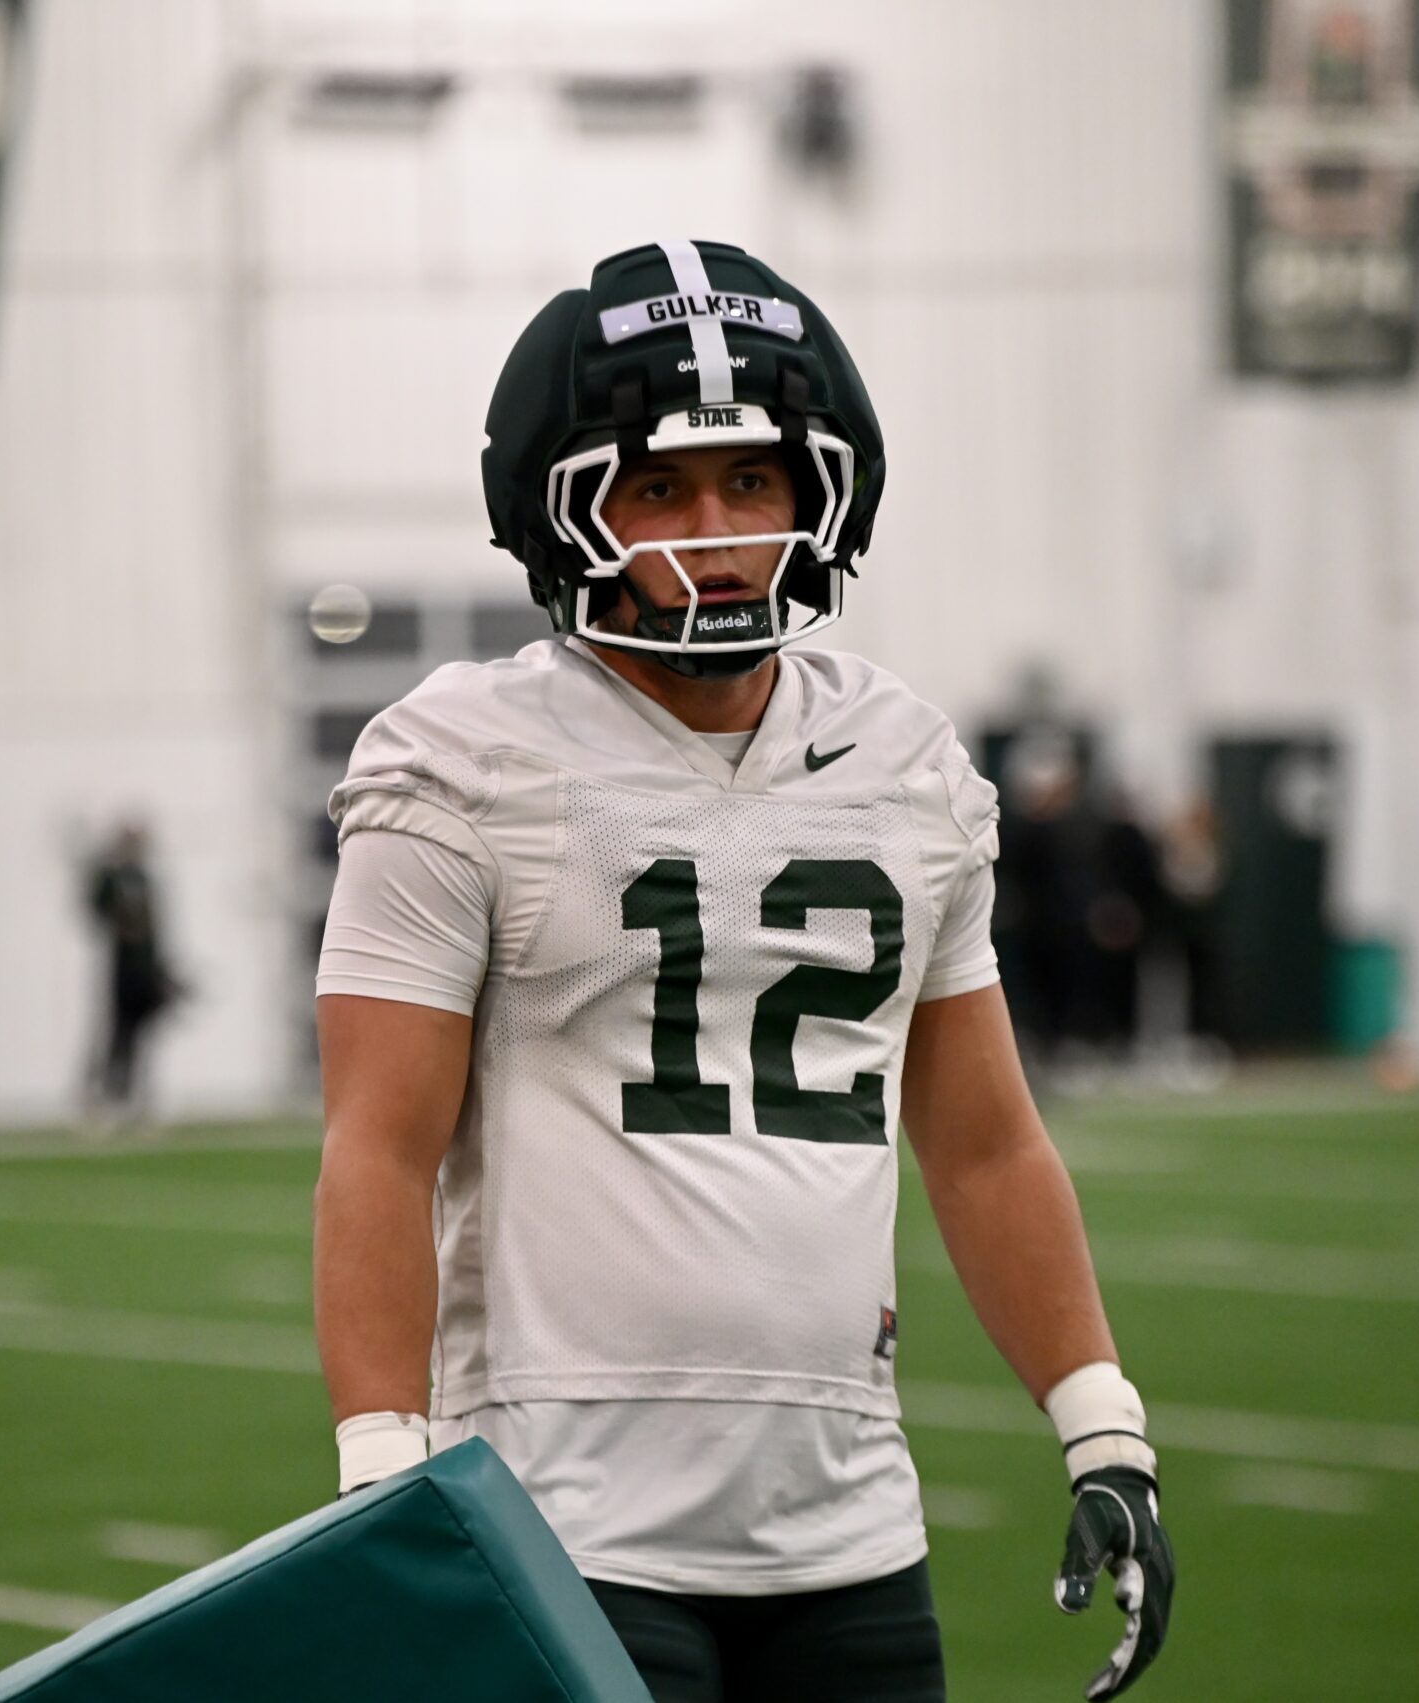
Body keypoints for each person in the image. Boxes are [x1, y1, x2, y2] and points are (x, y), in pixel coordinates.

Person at [312, 241, 1174, 1703]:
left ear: (821, 494)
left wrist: (1103, 1424)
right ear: (562, 511)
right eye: (656, 489)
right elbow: (378, 1147)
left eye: (753, 481)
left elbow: (983, 1142)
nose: (714, 534)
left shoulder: (906, 764)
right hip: (561, 1516)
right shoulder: (463, 760)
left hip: (847, 1524)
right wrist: (382, 1468)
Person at [87, 820, 177, 1121]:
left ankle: (138, 1098)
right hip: (121, 971)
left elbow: (155, 928)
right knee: (118, 1035)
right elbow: (96, 910)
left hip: (145, 971)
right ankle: (107, 1096)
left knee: (143, 1038)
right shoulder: (111, 878)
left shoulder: (145, 880)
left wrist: (161, 968)